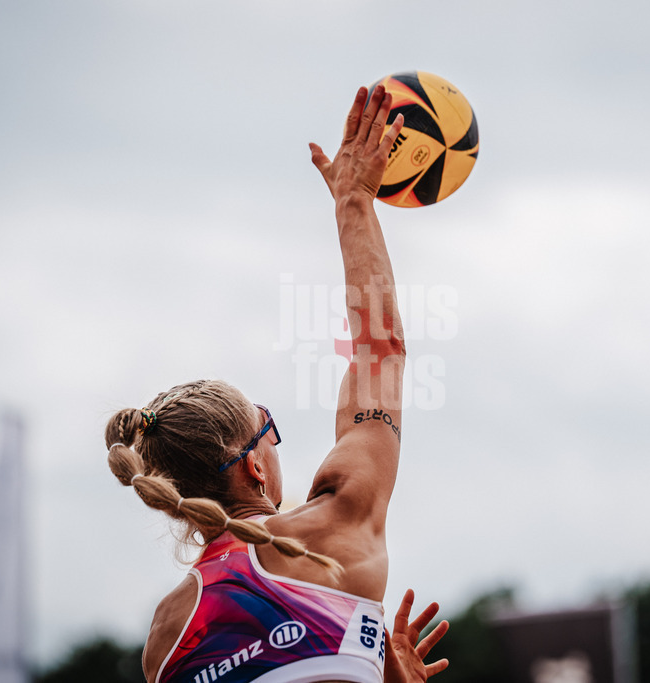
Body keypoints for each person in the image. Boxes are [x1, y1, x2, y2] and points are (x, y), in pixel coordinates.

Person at [105, 85, 447, 683]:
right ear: (254, 468)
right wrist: (355, 202)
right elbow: (380, 349)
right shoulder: (333, 530)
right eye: (269, 431)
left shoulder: (166, 637)